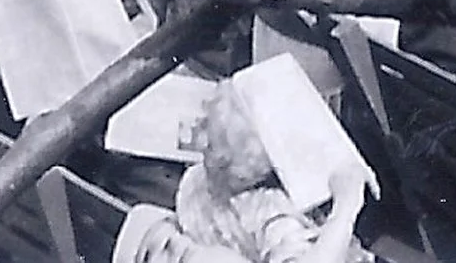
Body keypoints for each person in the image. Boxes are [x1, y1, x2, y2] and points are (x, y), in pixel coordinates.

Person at [113, 72, 372, 263]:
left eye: (210, 144)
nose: (198, 143)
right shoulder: (198, 187)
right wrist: (347, 205)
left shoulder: (267, 210)